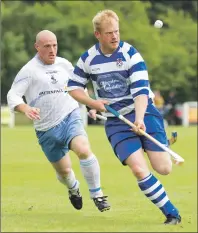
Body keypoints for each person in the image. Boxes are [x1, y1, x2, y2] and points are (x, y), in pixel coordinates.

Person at [67, 10, 181, 224]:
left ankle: (158, 143)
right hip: (116, 121)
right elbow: (73, 88)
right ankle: (171, 213)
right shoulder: (88, 59)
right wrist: (93, 103)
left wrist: (139, 120)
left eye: (117, 31)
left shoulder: (131, 55)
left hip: (144, 112)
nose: (115, 37)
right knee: (139, 169)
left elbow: (140, 92)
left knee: (164, 168)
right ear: (97, 34)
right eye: (109, 33)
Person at [7, 30, 110, 212]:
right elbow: (13, 95)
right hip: (47, 130)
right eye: (47, 46)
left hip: (70, 116)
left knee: (84, 150)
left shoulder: (64, 64)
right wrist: (25, 108)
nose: (52, 50)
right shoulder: (29, 70)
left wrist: (90, 105)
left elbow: (78, 87)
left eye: (54, 45)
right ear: (37, 47)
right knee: (64, 173)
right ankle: (73, 188)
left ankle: (97, 194)